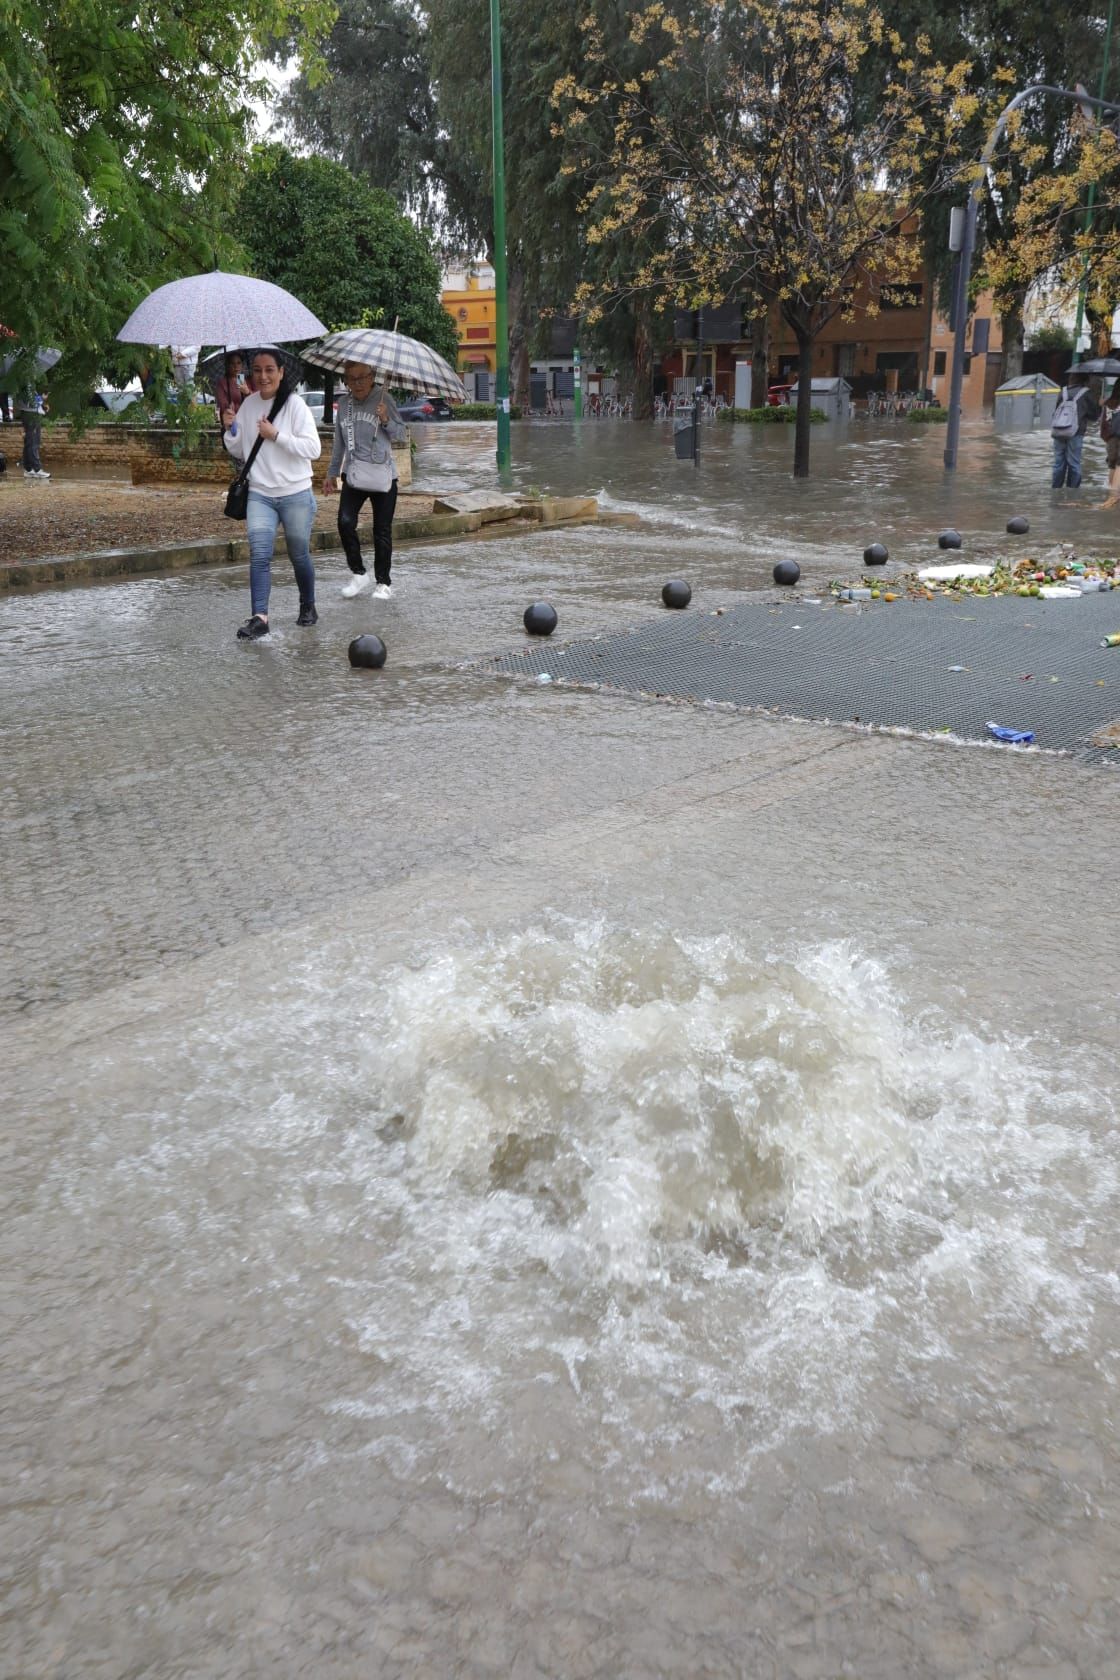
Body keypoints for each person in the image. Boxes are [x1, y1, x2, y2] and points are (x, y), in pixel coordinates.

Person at [221, 347, 322, 641]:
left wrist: (276, 435)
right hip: (260, 494)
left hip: (296, 493)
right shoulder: (248, 405)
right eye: (257, 370)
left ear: (281, 372)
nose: (263, 376)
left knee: (298, 553)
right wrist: (230, 428)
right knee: (259, 553)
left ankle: (308, 605)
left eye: (269, 370)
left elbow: (313, 449)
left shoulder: (295, 406)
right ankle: (260, 618)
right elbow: (239, 450)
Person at [323, 360, 406, 599]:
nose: (357, 383)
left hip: (384, 476)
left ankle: (383, 582)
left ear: (372, 377)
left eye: (362, 377)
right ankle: (359, 573)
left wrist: (386, 420)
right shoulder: (345, 403)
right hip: (355, 473)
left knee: (382, 529)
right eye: (352, 378)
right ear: (346, 381)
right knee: (345, 522)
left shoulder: (384, 399)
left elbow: (400, 434)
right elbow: (339, 442)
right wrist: (331, 472)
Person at [1050, 371, 1100, 489]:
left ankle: (1056, 489)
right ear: (1085, 379)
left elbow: (1056, 411)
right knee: (1074, 463)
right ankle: (1072, 492)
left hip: (1059, 431)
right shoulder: (1086, 393)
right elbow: (1094, 416)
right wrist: (1099, 404)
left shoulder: (1064, 391)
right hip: (1076, 432)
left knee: (1058, 463)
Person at [213, 352, 249, 429]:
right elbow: (221, 404)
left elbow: (253, 399)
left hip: (245, 421)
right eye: (232, 363)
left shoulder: (242, 379)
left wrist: (247, 392)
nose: (236, 366)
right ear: (227, 366)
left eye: (239, 363)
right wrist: (228, 406)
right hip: (230, 422)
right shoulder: (222, 382)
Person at [1099, 378, 1120, 507]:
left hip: (1110, 437)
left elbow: (1103, 423)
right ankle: (1114, 495)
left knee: (1112, 464)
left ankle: (1111, 490)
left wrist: (1107, 437)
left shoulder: (1109, 402)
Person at [20, 387, 49, 480]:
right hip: (31, 415)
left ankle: (28, 469)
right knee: (33, 442)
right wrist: (42, 398)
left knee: (29, 443)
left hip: (30, 414)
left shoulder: (27, 383)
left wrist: (41, 400)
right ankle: (37, 469)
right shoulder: (26, 383)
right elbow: (30, 401)